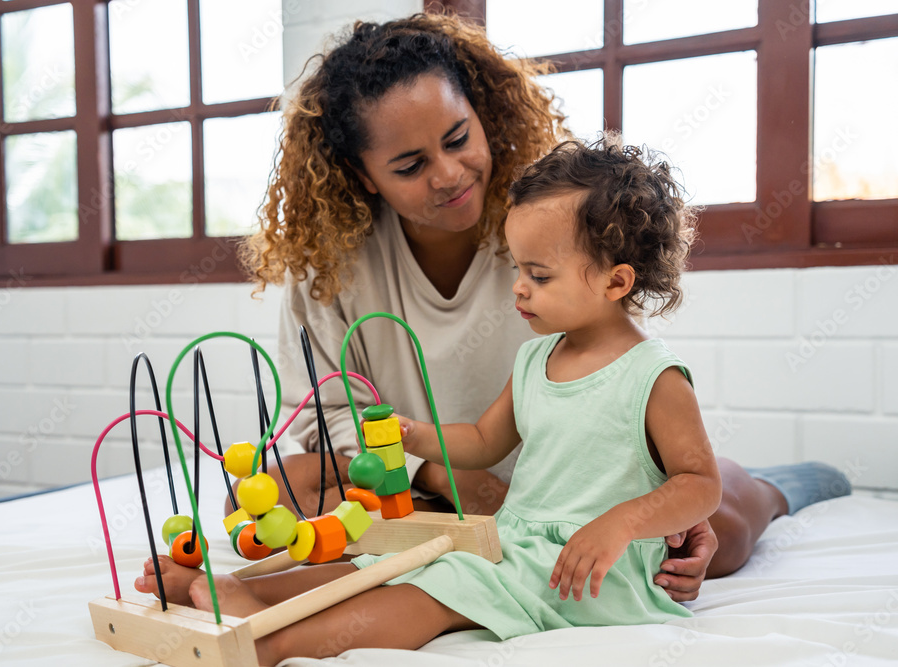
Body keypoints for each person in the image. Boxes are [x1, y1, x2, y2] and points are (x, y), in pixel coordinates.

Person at [227, 12, 851, 595]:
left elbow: (614, 366)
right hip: (422, 479)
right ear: (364, 175)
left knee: (724, 536)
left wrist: (648, 503)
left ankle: (776, 486)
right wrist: (446, 476)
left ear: (481, 114)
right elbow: (329, 415)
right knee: (262, 497)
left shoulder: (545, 223)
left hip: (570, 483)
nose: (448, 174)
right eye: (411, 164)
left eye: (457, 137)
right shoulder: (329, 270)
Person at [138, 137, 728, 662]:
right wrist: (415, 435)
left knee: (439, 588)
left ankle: (272, 644)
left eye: (539, 276)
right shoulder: (535, 360)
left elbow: (699, 483)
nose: (519, 287)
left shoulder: (653, 375)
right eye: (517, 268)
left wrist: (620, 524)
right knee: (387, 561)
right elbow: (481, 442)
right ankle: (232, 591)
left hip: (595, 571)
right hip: (517, 541)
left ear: (616, 282)